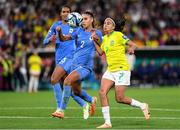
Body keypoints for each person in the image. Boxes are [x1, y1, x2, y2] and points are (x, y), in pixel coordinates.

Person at [93, 17, 150, 128]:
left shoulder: (118, 35)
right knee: (102, 92)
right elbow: (100, 52)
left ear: (113, 27)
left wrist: (131, 49)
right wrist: (94, 41)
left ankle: (142, 105)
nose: (105, 25)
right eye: (104, 23)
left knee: (119, 98)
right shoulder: (104, 39)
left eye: (108, 23)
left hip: (121, 69)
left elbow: (133, 44)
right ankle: (107, 122)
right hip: (110, 70)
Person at [43, 6, 90, 119]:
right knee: (70, 88)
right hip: (59, 58)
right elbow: (44, 41)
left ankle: (60, 109)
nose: (66, 14)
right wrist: (50, 39)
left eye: (68, 12)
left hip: (70, 57)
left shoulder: (75, 26)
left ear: (71, 14)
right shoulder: (56, 25)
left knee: (54, 79)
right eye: (64, 12)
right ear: (60, 13)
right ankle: (87, 103)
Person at [55, 11, 102, 118]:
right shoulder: (79, 31)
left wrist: (96, 40)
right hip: (74, 66)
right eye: (82, 19)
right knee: (75, 92)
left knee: (66, 81)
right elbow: (63, 39)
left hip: (85, 67)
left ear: (92, 20)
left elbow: (100, 52)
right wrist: (59, 32)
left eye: (85, 19)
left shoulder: (96, 33)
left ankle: (61, 111)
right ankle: (91, 99)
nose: (83, 21)